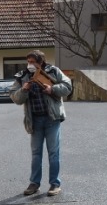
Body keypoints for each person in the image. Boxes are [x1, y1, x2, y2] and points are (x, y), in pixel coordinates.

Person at [10, 50, 73, 197]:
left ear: (41, 62)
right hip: (35, 121)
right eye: (28, 62)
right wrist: (23, 90)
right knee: (36, 154)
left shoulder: (53, 71)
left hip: (52, 119)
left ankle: (55, 184)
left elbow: (67, 87)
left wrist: (53, 89)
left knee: (53, 153)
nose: (30, 65)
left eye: (33, 62)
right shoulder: (22, 76)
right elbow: (15, 97)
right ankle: (34, 184)